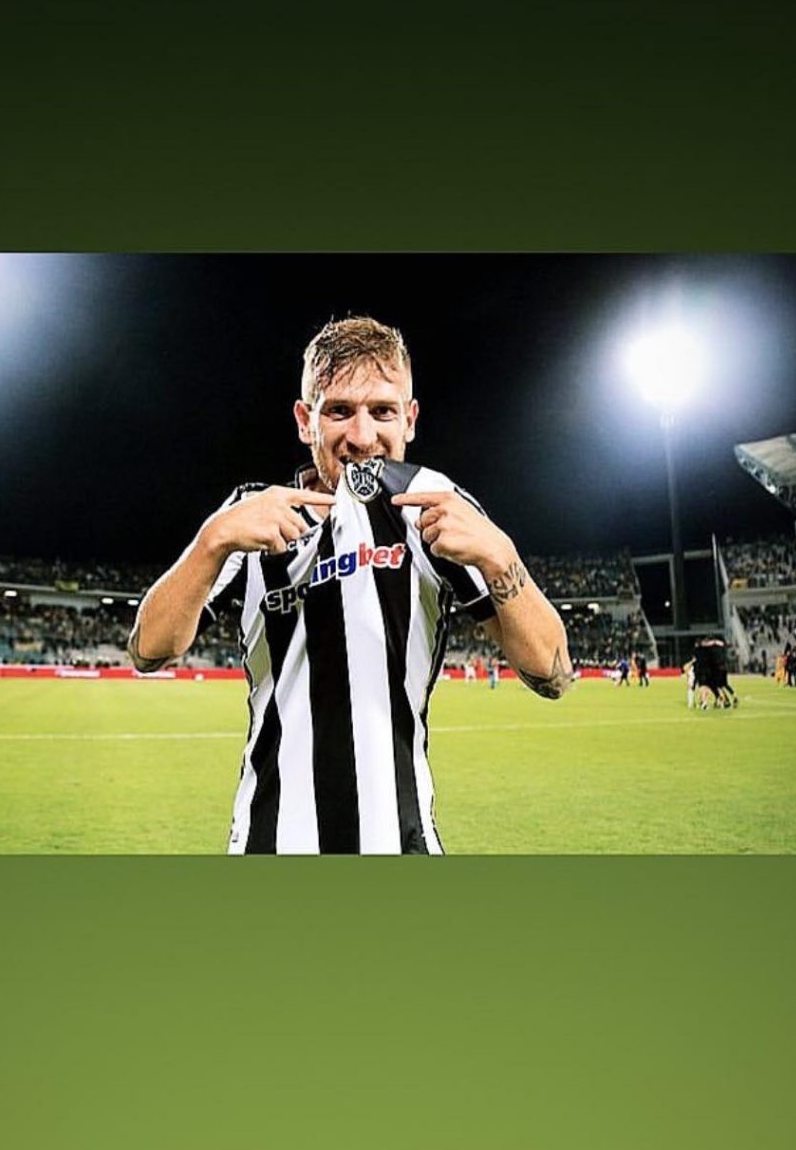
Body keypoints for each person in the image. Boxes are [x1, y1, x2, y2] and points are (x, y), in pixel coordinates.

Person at [128, 316, 572, 853]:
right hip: (271, 844)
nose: (362, 437)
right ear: (305, 420)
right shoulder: (252, 514)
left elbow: (553, 673)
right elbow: (148, 650)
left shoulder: (432, 504)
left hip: (399, 843)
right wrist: (211, 542)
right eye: (339, 411)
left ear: (409, 419)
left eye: (382, 411)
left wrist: (502, 559)